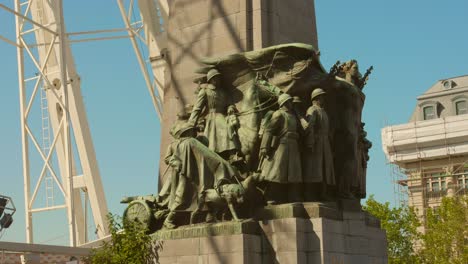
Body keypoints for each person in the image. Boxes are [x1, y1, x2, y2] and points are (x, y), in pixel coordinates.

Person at [259, 93, 302, 204]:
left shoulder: (293, 115)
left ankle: (292, 196)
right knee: (276, 172)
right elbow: (269, 130)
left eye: (290, 101)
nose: (290, 103)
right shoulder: (279, 114)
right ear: (283, 103)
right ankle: (271, 196)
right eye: (288, 101)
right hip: (282, 146)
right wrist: (264, 147)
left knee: (293, 173)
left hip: (293, 145)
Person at [188, 69, 240, 160]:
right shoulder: (205, 91)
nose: (218, 80)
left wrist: (230, 108)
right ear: (211, 80)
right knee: (226, 127)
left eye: (219, 78)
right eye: (216, 78)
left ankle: (233, 154)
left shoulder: (223, 92)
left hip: (222, 114)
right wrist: (190, 124)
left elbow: (229, 103)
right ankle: (232, 153)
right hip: (212, 116)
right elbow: (197, 108)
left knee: (230, 126)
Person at [302, 88, 335, 201]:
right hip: (317, 143)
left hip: (325, 143)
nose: (323, 99)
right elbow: (309, 127)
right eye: (321, 96)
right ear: (315, 98)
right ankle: (309, 194)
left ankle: (323, 193)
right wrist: (310, 142)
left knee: (325, 170)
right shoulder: (312, 110)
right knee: (314, 169)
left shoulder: (323, 111)